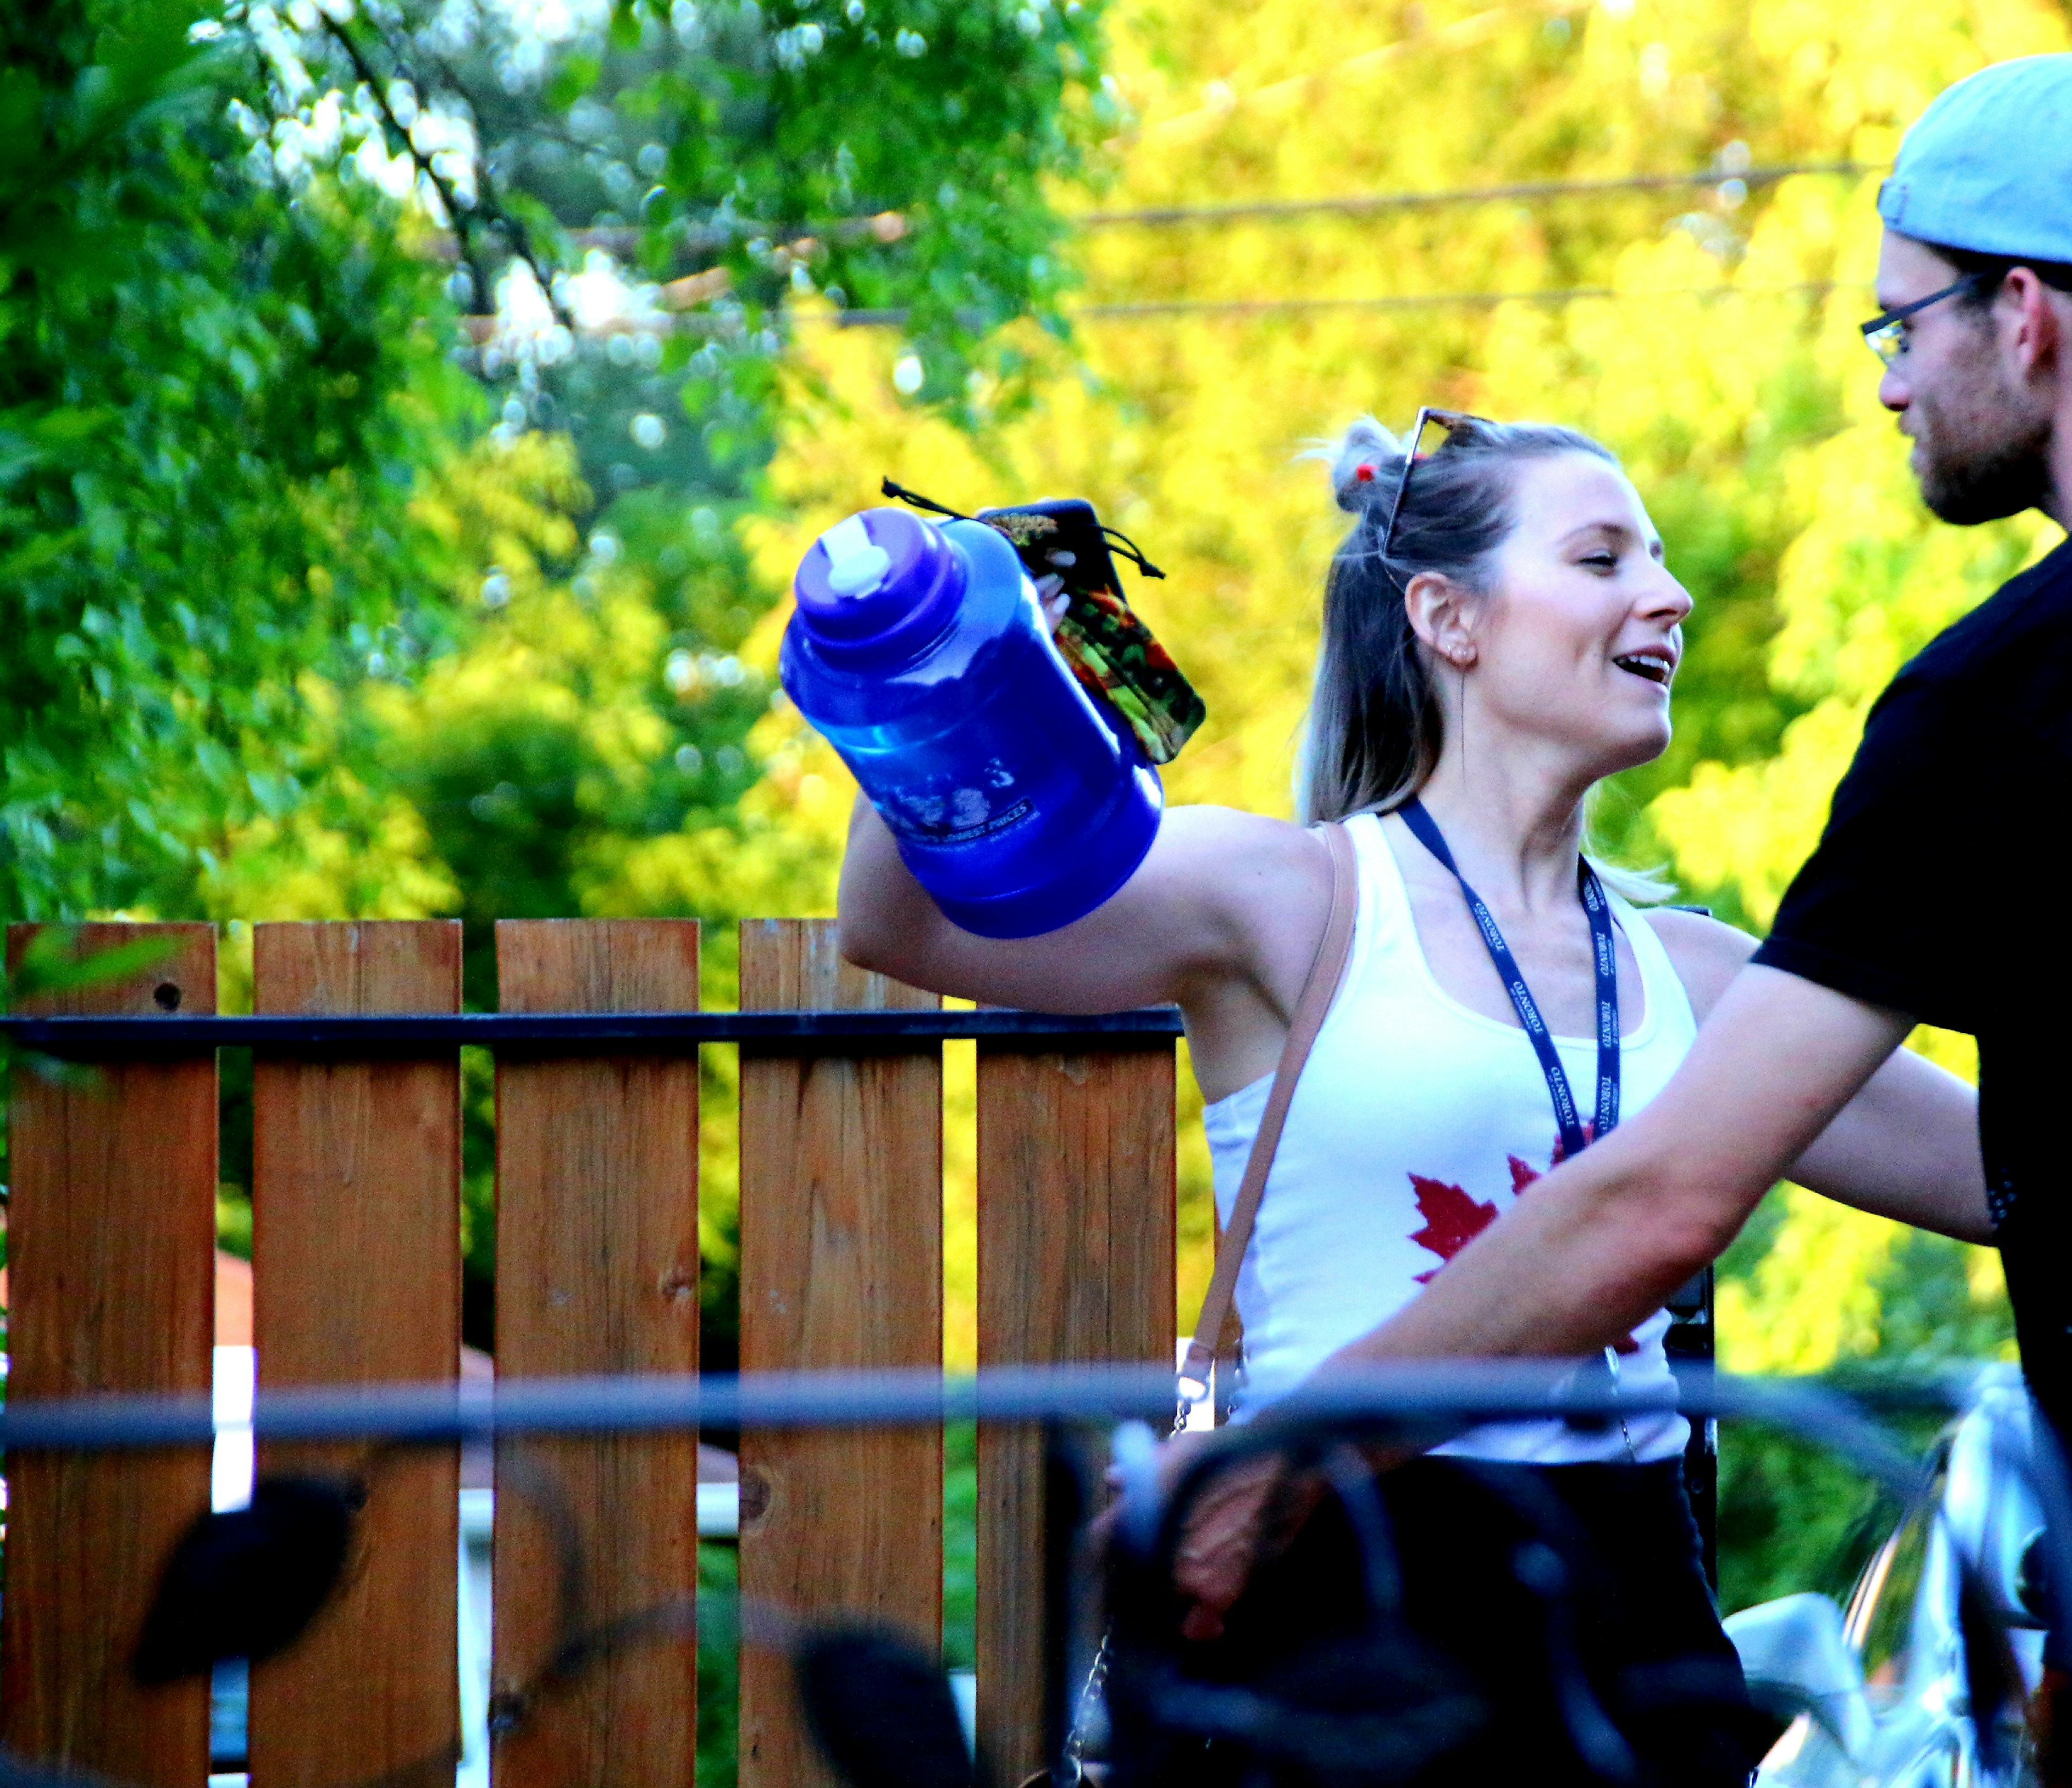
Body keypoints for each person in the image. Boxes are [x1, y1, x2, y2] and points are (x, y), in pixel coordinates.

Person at [1197, 49, 2072, 1787]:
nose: (1894, 383)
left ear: (2027, 313)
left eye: (1901, 326)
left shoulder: (2024, 688)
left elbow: (1667, 1195)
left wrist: (1281, 1462)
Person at [834, 410, 1987, 1784]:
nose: (1671, 595)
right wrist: (954, 659)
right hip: (1346, 1598)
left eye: (1661, 558)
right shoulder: (1292, 898)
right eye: (1604, 558)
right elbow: (900, 925)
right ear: (1448, 618)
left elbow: (2019, 1176)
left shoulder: (1700, 974)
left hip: (1636, 1614)